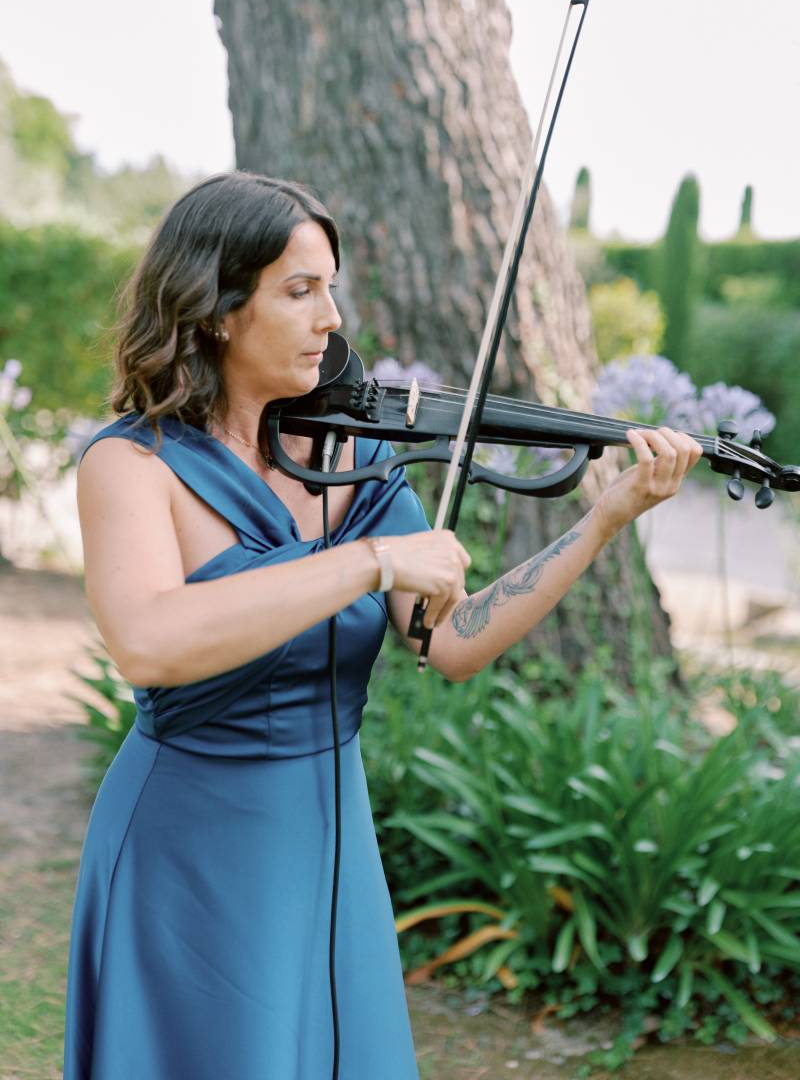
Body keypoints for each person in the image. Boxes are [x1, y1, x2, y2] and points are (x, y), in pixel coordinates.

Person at [63, 171, 702, 1080]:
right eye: (299, 290)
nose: (331, 318)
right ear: (215, 309)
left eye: (331, 287)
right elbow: (150, 640)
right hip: (189, 848)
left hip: (327, 838)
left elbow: (454, 639)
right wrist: (367, 562)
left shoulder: (351, 459)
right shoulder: (131, 465)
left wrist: (601, 521)